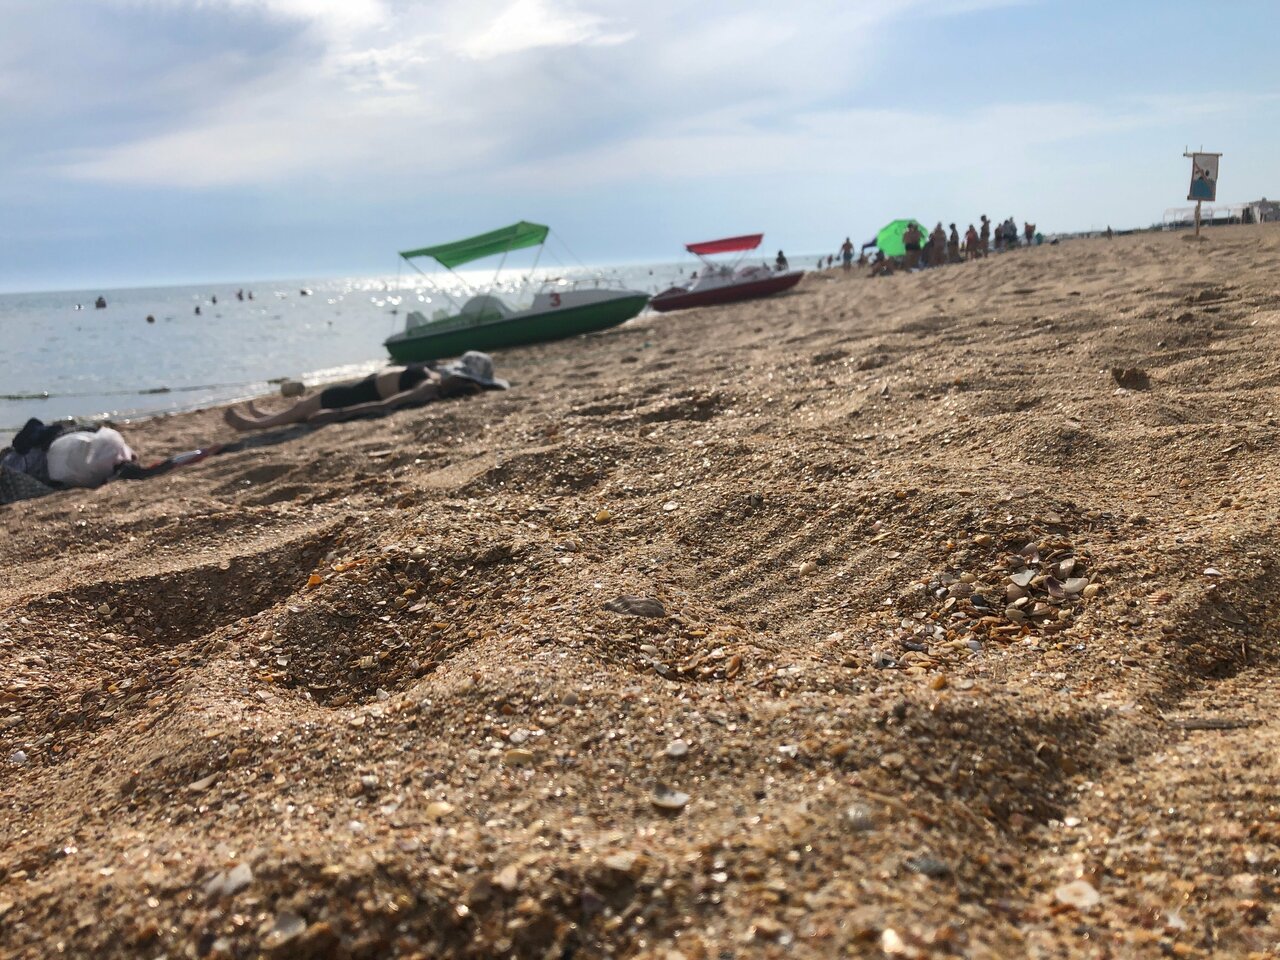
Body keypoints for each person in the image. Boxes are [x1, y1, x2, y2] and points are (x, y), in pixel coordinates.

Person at [223, 351, 508, 431]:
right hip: (357, 388)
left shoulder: (427, 388)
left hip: (351, 396)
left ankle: (256, 424)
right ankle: (266, 416)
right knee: (301, 407)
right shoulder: (435, 377)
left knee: (302, 409)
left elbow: (385, 406)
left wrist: (337, 414)